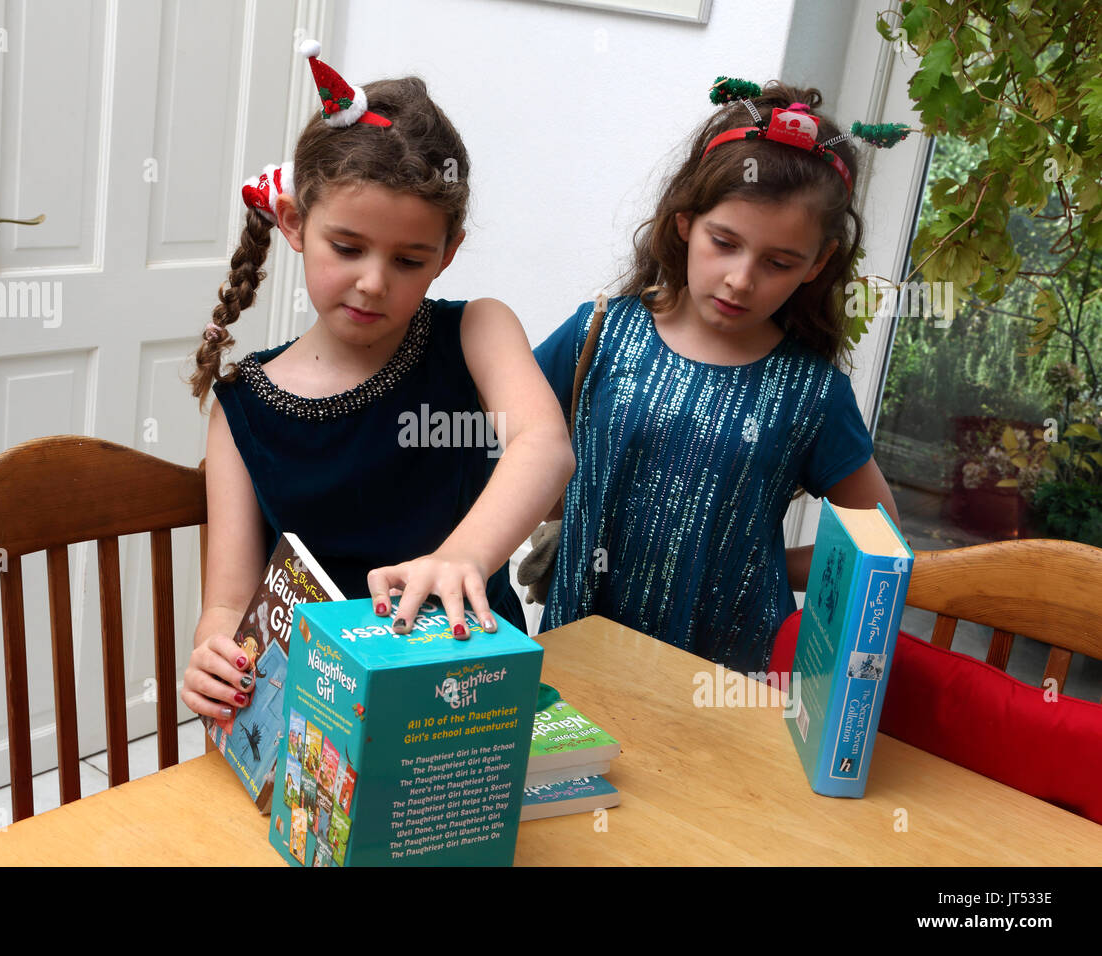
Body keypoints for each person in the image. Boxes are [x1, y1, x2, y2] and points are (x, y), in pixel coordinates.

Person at [182, 41, 573, 724]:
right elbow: (227, 603)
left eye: (408, 259)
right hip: (318, 717)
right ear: (295, 223)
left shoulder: (478, 332)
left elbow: (544, 447)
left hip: (468, 690)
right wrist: (215, 651)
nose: (372, 281)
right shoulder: (242, 405)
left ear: (446, 256)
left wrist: (458, 561)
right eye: (349, 247)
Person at [533, 78, 908, 674]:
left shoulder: (811, 392)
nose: (740, 278)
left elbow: (879, 536)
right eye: (724, 242)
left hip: (729, 686)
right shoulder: (599, 333)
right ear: (685, 222)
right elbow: (488, 435)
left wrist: (765, 564)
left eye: (778, 262)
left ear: (818, 264)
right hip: (579, 659)